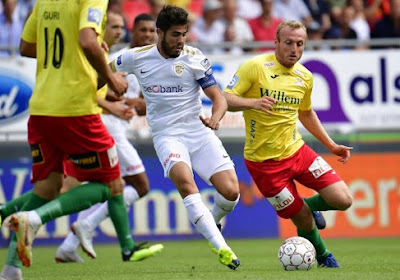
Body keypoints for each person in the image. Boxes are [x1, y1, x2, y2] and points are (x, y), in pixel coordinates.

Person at [0, 1, 146, 279]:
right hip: (76, 108)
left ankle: (10, 269)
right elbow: (88, 41)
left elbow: (26, 47)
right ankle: (35, 219)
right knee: (111, 185)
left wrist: (73, 51)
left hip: (42, 107)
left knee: (48, 188)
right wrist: (110, 77)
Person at [111, 5, 241, 270]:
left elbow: (218, 97)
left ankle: (211, 221)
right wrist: (107, 85)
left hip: (199, 132)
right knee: (185, 182)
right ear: (159, 33)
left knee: (231, 192)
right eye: (175, 35)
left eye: (184, 34)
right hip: (167, 136)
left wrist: (215, 118)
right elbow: (102, 69)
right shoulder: (136, 57)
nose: (181, 41)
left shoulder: (194, 57)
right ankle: (223, 248)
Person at [222, 20, 353, 268]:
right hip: (264, 164)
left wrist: (332, 145)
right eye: (289, 43)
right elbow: (225, 98)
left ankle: (304, 205)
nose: (294, 49)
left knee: (343, 199)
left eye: (300, 44)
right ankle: (324, 257)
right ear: (277, 43)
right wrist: (253, 103)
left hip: (297, 151)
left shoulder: (304, 76)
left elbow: (306, 113)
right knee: (302, 220)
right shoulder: (255, 67)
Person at [55, 12, 162, 263]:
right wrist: (125, 102)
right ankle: (84, 226)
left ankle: (69, 245)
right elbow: (93, 93)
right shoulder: (116, 60)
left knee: (112, 188)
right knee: (140, 185)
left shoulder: (154, 65)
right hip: (106, 127)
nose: (147, 35)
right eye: (142, 30)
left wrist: (138, 103)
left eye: (151, 31)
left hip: (118, 128)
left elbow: (145, 105)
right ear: (131, 32)